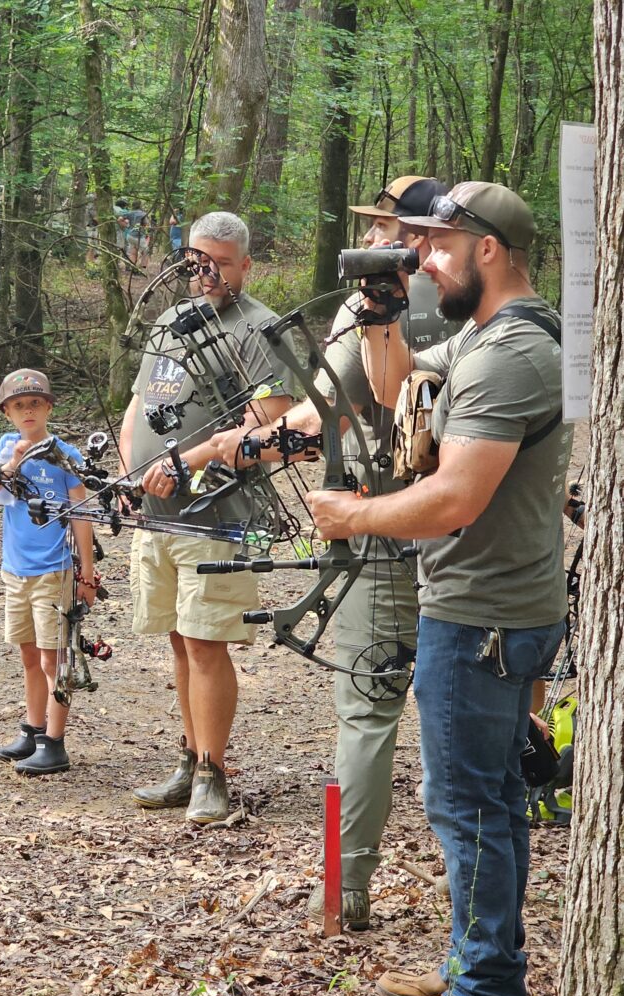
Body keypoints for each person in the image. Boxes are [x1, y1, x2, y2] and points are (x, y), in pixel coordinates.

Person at [306, 182, 573, 996]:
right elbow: (400, 391)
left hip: (480, 614)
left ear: (486, 248)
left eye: (436, 246)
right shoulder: (493, 333)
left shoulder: (508, 354)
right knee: (489, 801)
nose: (421, 261)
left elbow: (454, 497)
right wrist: (380, 319)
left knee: (465, 807)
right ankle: (476, 968)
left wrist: (351, 515)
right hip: (494, 605)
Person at [213, 176, 459, 929]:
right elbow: (330, 406)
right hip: (435, 526)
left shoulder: (410, 304)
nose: (373, 239)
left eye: (386, 227)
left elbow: (332, 413)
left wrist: (231, 448)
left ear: (418, 237)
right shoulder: (438, 301)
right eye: (374, 227)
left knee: (370, 707)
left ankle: (347, 887)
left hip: (388, 529)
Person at [120, 211, 297, 824]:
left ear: (245, 264)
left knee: (204, 641)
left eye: (222, 262)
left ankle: (212, 773)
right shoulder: (170, 320)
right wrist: (131, 476)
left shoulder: (260, 327)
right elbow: (138, 406)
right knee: (177, 638)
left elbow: (270, 419)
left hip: (218, 515)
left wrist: (185, 462)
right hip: (157, 514)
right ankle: (190, 758)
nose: (208, 271)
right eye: (198, 259)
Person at [0, 370, 97, 775]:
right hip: (15, 569)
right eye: (19, 405)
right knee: (28, 652)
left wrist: (87, 574)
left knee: (53, 658)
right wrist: (11, 464)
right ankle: (33, 729)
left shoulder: (65, 455)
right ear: (6, 412)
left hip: (54, 570)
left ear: (48, 408)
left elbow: (81, 514)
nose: (28, 411)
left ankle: (54, 743)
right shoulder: (5, 447)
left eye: (35, 403)